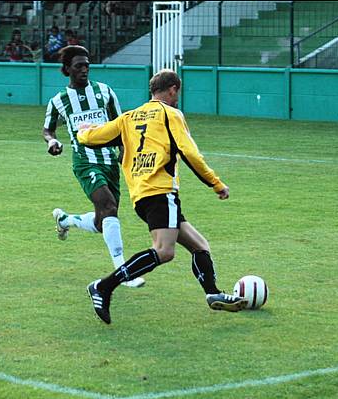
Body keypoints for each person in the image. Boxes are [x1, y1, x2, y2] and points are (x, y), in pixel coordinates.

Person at [77, 69, 248, 324]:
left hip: (142, 196)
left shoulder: (128, 118)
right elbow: (190, 154)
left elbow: (92, 137)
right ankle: (103, 286)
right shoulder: (172, 114)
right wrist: (215, 183)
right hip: (161, 191)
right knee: (164, 251)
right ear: (173, 89)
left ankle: (213, 294)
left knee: (199, 245)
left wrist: (83, 130)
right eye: (177, 92)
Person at [42, 45, 145, 289]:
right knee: (108, 206)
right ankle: (123, 273)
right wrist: (52, 141)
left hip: (109, 162)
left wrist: (124, 151)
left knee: (104, 220)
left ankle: (66, 220)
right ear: (67, 69)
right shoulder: (58, 101)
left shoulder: (105, 92)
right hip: (84, 161)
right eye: (79, 65)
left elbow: (121, 124)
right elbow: (48, 129)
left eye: (87, 64)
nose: (84, 69)